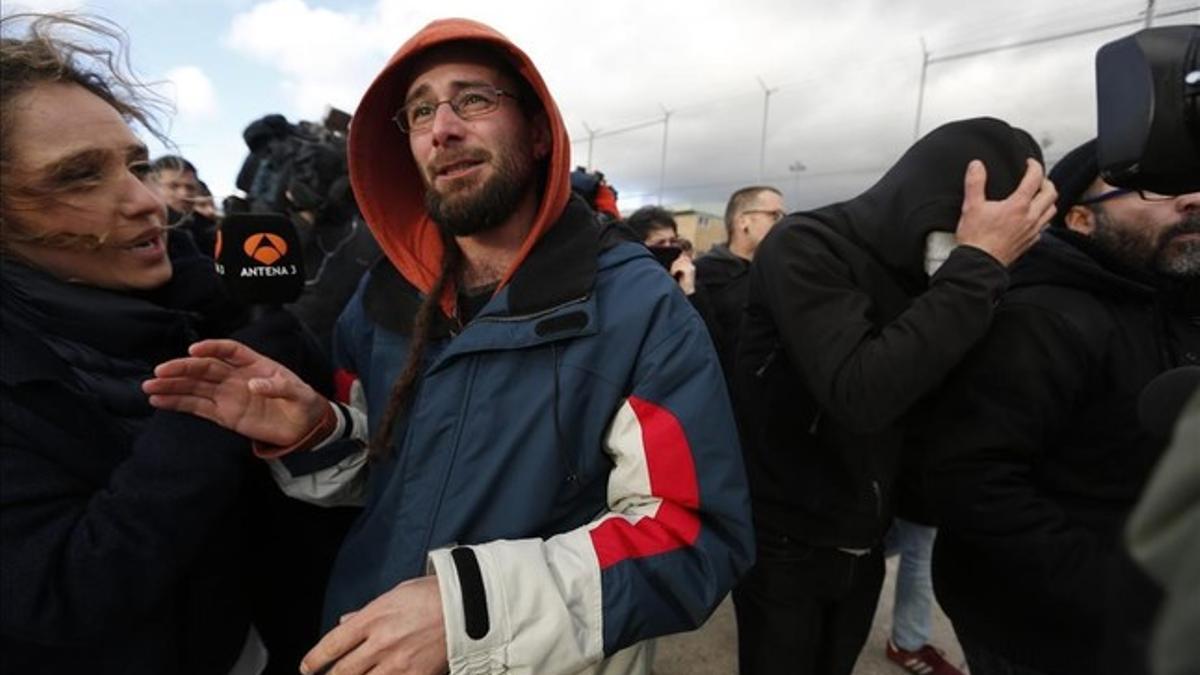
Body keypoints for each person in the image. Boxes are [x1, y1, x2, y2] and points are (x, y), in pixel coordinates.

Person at [145, 18, 753, 675]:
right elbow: (385, 476)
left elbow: (693, 535)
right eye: (421, 110)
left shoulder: (635, 306)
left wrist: (469, 611)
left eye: (474, 99)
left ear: (540, 129)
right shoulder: (379, 299)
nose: (443, 128)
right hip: (362, 643)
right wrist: (315, 431)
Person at [0, 13, 326, 674]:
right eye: (78, 176)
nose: (148, 201)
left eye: (137, 165)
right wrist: (209, 408)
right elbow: (64, 592)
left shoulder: (210, 303)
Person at [732, 117, 1057, 675]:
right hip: (787, 535)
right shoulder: (806, 245)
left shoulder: (937, 277)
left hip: (867, 535)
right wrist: (977, 266)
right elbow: (861, 392)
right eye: (968, 223)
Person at [919, 139, 1200, 675]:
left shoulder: (1179, 309)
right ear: (1080, 219)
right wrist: (1125, 595)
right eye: (1157, 186)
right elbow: (972, 485)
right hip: (1049, 637)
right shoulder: (1041, 316)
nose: (1189, 198)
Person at [695, 185, 783, 380]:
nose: (782, 223)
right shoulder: (703, 273)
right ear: (743, 221)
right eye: (774, 216)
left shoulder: (779, 271)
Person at [625, 204, 698, 297]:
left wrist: (688, 290)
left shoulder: (686, 275)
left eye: (672, 241)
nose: (668, 247)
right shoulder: (629, 282)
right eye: (660, 243)